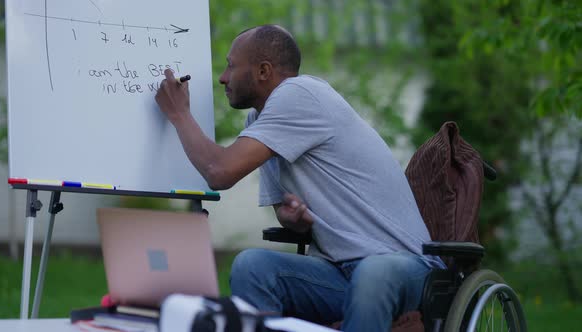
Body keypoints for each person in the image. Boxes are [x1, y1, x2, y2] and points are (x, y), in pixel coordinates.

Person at [155, 24, 443, 332]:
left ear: (263, 71)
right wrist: (293, 219)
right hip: (338, 274)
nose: (223, 77)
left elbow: (219, 171)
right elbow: (282, 209)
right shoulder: (260, 120)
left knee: (373, 272)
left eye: (231, 66)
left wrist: (179, 115)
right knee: (251, 266)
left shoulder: (299, 95)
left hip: (405, 269)